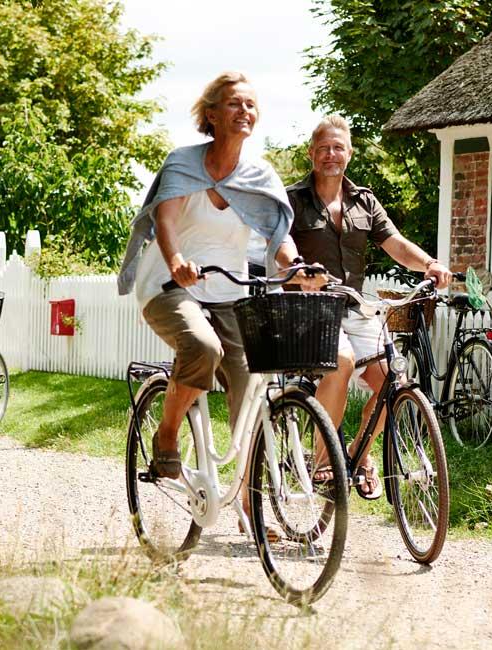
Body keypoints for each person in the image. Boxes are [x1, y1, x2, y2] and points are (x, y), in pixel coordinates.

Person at [117, 71, 324, 494]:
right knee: (202, 347)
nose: (243, 111)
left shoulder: (259, 175)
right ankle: (168, 434)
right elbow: (166, 219)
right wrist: (175, 261)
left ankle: (252, 499)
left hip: (231, 292)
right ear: (211, 114)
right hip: (170, 286)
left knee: (250, 390)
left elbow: (277, 234)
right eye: (233, 103)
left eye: (250, 105)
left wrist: (296, 265)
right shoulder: (182, 162)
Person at [286, 115, 451, 499]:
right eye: (324, 147)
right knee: (339, 364)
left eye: (338, 147)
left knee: (393, 377)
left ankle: (360, 454)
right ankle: (324, 459)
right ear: (312, 153)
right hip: (311, 309)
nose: (331, 154)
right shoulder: (293, 199)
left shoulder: (364, 200)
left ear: (350, 153)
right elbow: (279, 247)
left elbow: (395, 243)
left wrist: (429, 263)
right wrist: (296, 271)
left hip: (354, 307)